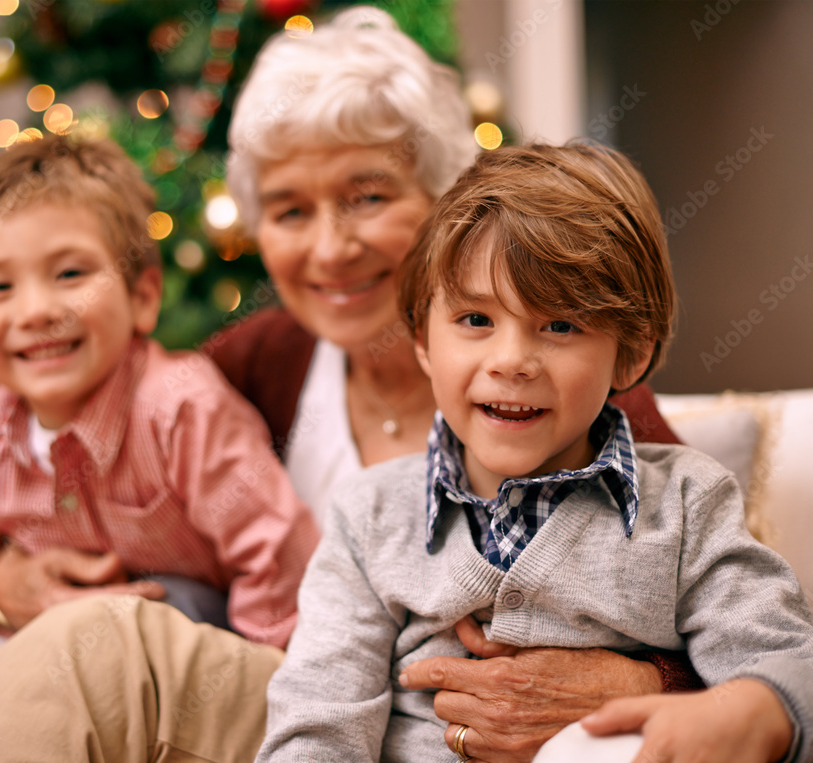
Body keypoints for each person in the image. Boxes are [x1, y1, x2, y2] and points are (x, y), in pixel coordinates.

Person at [0, 9, 716, 763]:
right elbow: (89, 473)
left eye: (367, 196)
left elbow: (727, 610)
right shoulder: (248, 366)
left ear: (448, 203)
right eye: (292, 212)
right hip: (300, 712)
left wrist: (644, 679)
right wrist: (1, 577)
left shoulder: (564, 391)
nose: (331, 248)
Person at [255, 142, 813, 763]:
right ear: (422, 340)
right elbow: (319, 718)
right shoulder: (369, 515)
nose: (511, 361)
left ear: (629, 353)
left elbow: (790, 670)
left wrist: (760, 708)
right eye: (474, 319)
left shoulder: (687, 502)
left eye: (561, 325)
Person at [0, 134, 321, 762]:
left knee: (156, 614)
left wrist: (275, 675)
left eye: (70, 274)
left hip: (196, 631)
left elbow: (271, 543)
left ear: (142, 296)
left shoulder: (181, 407)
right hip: (54, 645)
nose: (36, 310)